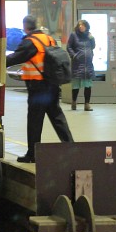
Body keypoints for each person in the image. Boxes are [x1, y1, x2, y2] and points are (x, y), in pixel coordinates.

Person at [6, 15, 74, 163]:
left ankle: (32, 155)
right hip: (53, 84)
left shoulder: (30, 42)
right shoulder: (48, 38)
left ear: (25, 27)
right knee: (57, 117)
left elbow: (14, 59)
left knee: (35, 121)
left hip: (38, 87)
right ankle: (71, 148)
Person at [67, 19, 95, 111]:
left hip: (88, 64)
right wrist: (74, 56)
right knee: (76, 85)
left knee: (88, 85)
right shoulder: (73, 35)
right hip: (77, 64)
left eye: (82, 25)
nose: (80, 26)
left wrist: (92, 38)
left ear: (86, 26)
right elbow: (69, 47)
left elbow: (93, 46)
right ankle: (74, 102)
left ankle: (87, 104)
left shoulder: (89, 35)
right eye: (79, 25)